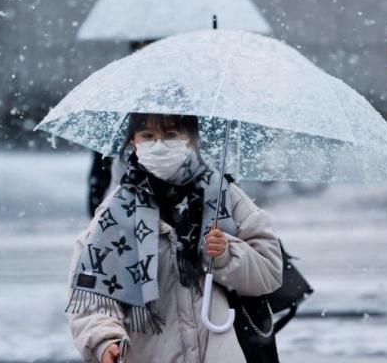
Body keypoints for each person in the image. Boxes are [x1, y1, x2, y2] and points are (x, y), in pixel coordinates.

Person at [67, 113, 283, 363]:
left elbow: (270, 270)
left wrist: (226, 255)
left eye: (170, 134)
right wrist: (105, 341)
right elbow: (91, 292)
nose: (159, 144)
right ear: (133, 143)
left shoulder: (225, 196)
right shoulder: (114, 214)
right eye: (147, 136)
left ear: (190, 139)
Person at [87, 40, 157, 216]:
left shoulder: (172, 92)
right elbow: (102, 158)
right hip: (124, 173)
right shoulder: (119, 89)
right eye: (140, 47)